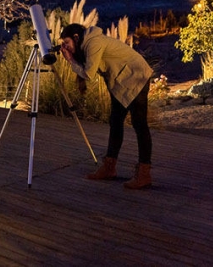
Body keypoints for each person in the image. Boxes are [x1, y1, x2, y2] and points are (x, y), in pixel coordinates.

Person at [59, 23, 154, 189]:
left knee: (140, 124)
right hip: (120, 80)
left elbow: (88, 74)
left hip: (136, 75)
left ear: (76, 37)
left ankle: (144, 173)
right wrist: (73, 58)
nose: (65, 46)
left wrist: (71, 60)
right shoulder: (87, 44)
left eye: (66, 42)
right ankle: (109, 168)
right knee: (115, 121)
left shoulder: (94, 43)